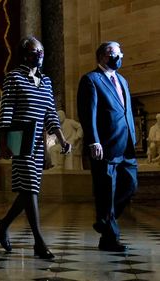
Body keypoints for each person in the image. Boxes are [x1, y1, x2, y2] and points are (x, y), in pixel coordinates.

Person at [0, 36, 71, 259]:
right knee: (30, 189)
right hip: (20, 137)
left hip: (39, 141)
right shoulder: (14, 77)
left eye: (42, 51)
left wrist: (62, 139)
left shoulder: (46, 81)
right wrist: (4, 142)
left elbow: (50, 114)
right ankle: (38, 241)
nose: (40, 55)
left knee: (29, 190)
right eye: (36, 51)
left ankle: (4, 224)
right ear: (25, 54)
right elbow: (6, 109)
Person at [77, 41, 138, 252]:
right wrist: (93, 140)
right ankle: (110, 238)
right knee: (106, 191)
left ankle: (104, 219)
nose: (120, 56)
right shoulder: (91, 80)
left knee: (130, 185)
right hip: (106, 145)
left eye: (121, 53)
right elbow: (88, 113)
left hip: (127, 143)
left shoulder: (122, 80)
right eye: (116, 53)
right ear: (104, 56)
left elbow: (126, 110)